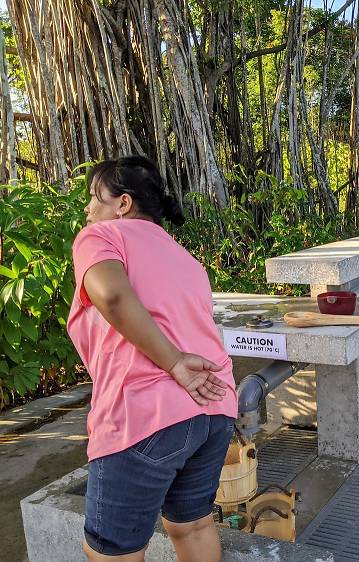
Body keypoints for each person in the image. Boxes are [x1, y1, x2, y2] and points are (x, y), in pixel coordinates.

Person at [67, 156, 238, 562]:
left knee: (112, 553)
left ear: (123, 204)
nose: (88, 209)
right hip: (215, 407)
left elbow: (111, 295)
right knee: (192, 525)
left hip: (146, 411)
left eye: (95, 198)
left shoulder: (101, 236)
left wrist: (175, 363)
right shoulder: (184, 257)